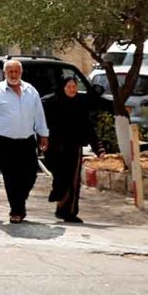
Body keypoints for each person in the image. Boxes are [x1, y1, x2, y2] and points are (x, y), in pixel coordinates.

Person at [0, 59, 49, 223]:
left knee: (30, 174)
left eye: (16, 71)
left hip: (27, 139)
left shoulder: (31, 91)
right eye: (10, 71)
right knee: (11, 177)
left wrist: (43, 134)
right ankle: (16, 211)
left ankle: (20, 201)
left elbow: (39, 115)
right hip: (4, 140)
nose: (13, 74)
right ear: (5, 73)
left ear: (21, 72)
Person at [42, 74, 103, 223]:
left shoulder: (80, 104)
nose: (72, 89)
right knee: (60, 178)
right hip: (54, 147)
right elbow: (41, 124)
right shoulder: (51, 103)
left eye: (74, 87)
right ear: (63, 88)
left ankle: (68, 212)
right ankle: (59, 199)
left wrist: (98, 148)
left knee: (73, 180)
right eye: (69, 87)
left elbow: (88, 127)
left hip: (74, 147)